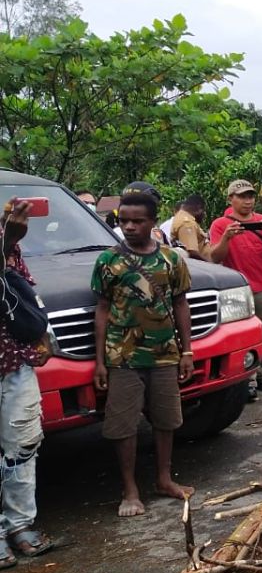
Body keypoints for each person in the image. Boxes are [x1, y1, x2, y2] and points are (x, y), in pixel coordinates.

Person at [91, 190, 194, 517]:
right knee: (123, 424)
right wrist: (100, 362)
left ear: (153, 221)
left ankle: (164, 479)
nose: (130, 226)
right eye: (124, 221)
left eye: (138, 221)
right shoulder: (108, 261)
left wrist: (187, 351)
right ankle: (130, 490)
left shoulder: (171, 259)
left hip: (164, 354)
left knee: (166, 419)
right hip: (123, 357)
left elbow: (181, 304)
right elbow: (103, 309)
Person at [0, 199, 53, 565]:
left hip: (13, 359)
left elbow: (22, 288)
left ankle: (19, 524)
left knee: (22, 443)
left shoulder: (9, 241)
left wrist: (44, 332)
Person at [209, 179, 262, 400]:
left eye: (250, 196)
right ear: (231, 198)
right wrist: (226, 239)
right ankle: (245, 380)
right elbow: (215, 258)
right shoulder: (220, 224)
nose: (247, 201)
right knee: (241, 339)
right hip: (236, 291)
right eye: (242, 196)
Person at [169, 195, 211, 261]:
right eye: (203, 210)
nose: (204, 214)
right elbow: (192, 252)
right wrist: (211, 264)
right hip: (200, 268)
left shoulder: (183, 217)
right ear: (198, 208)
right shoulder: (187, 223)